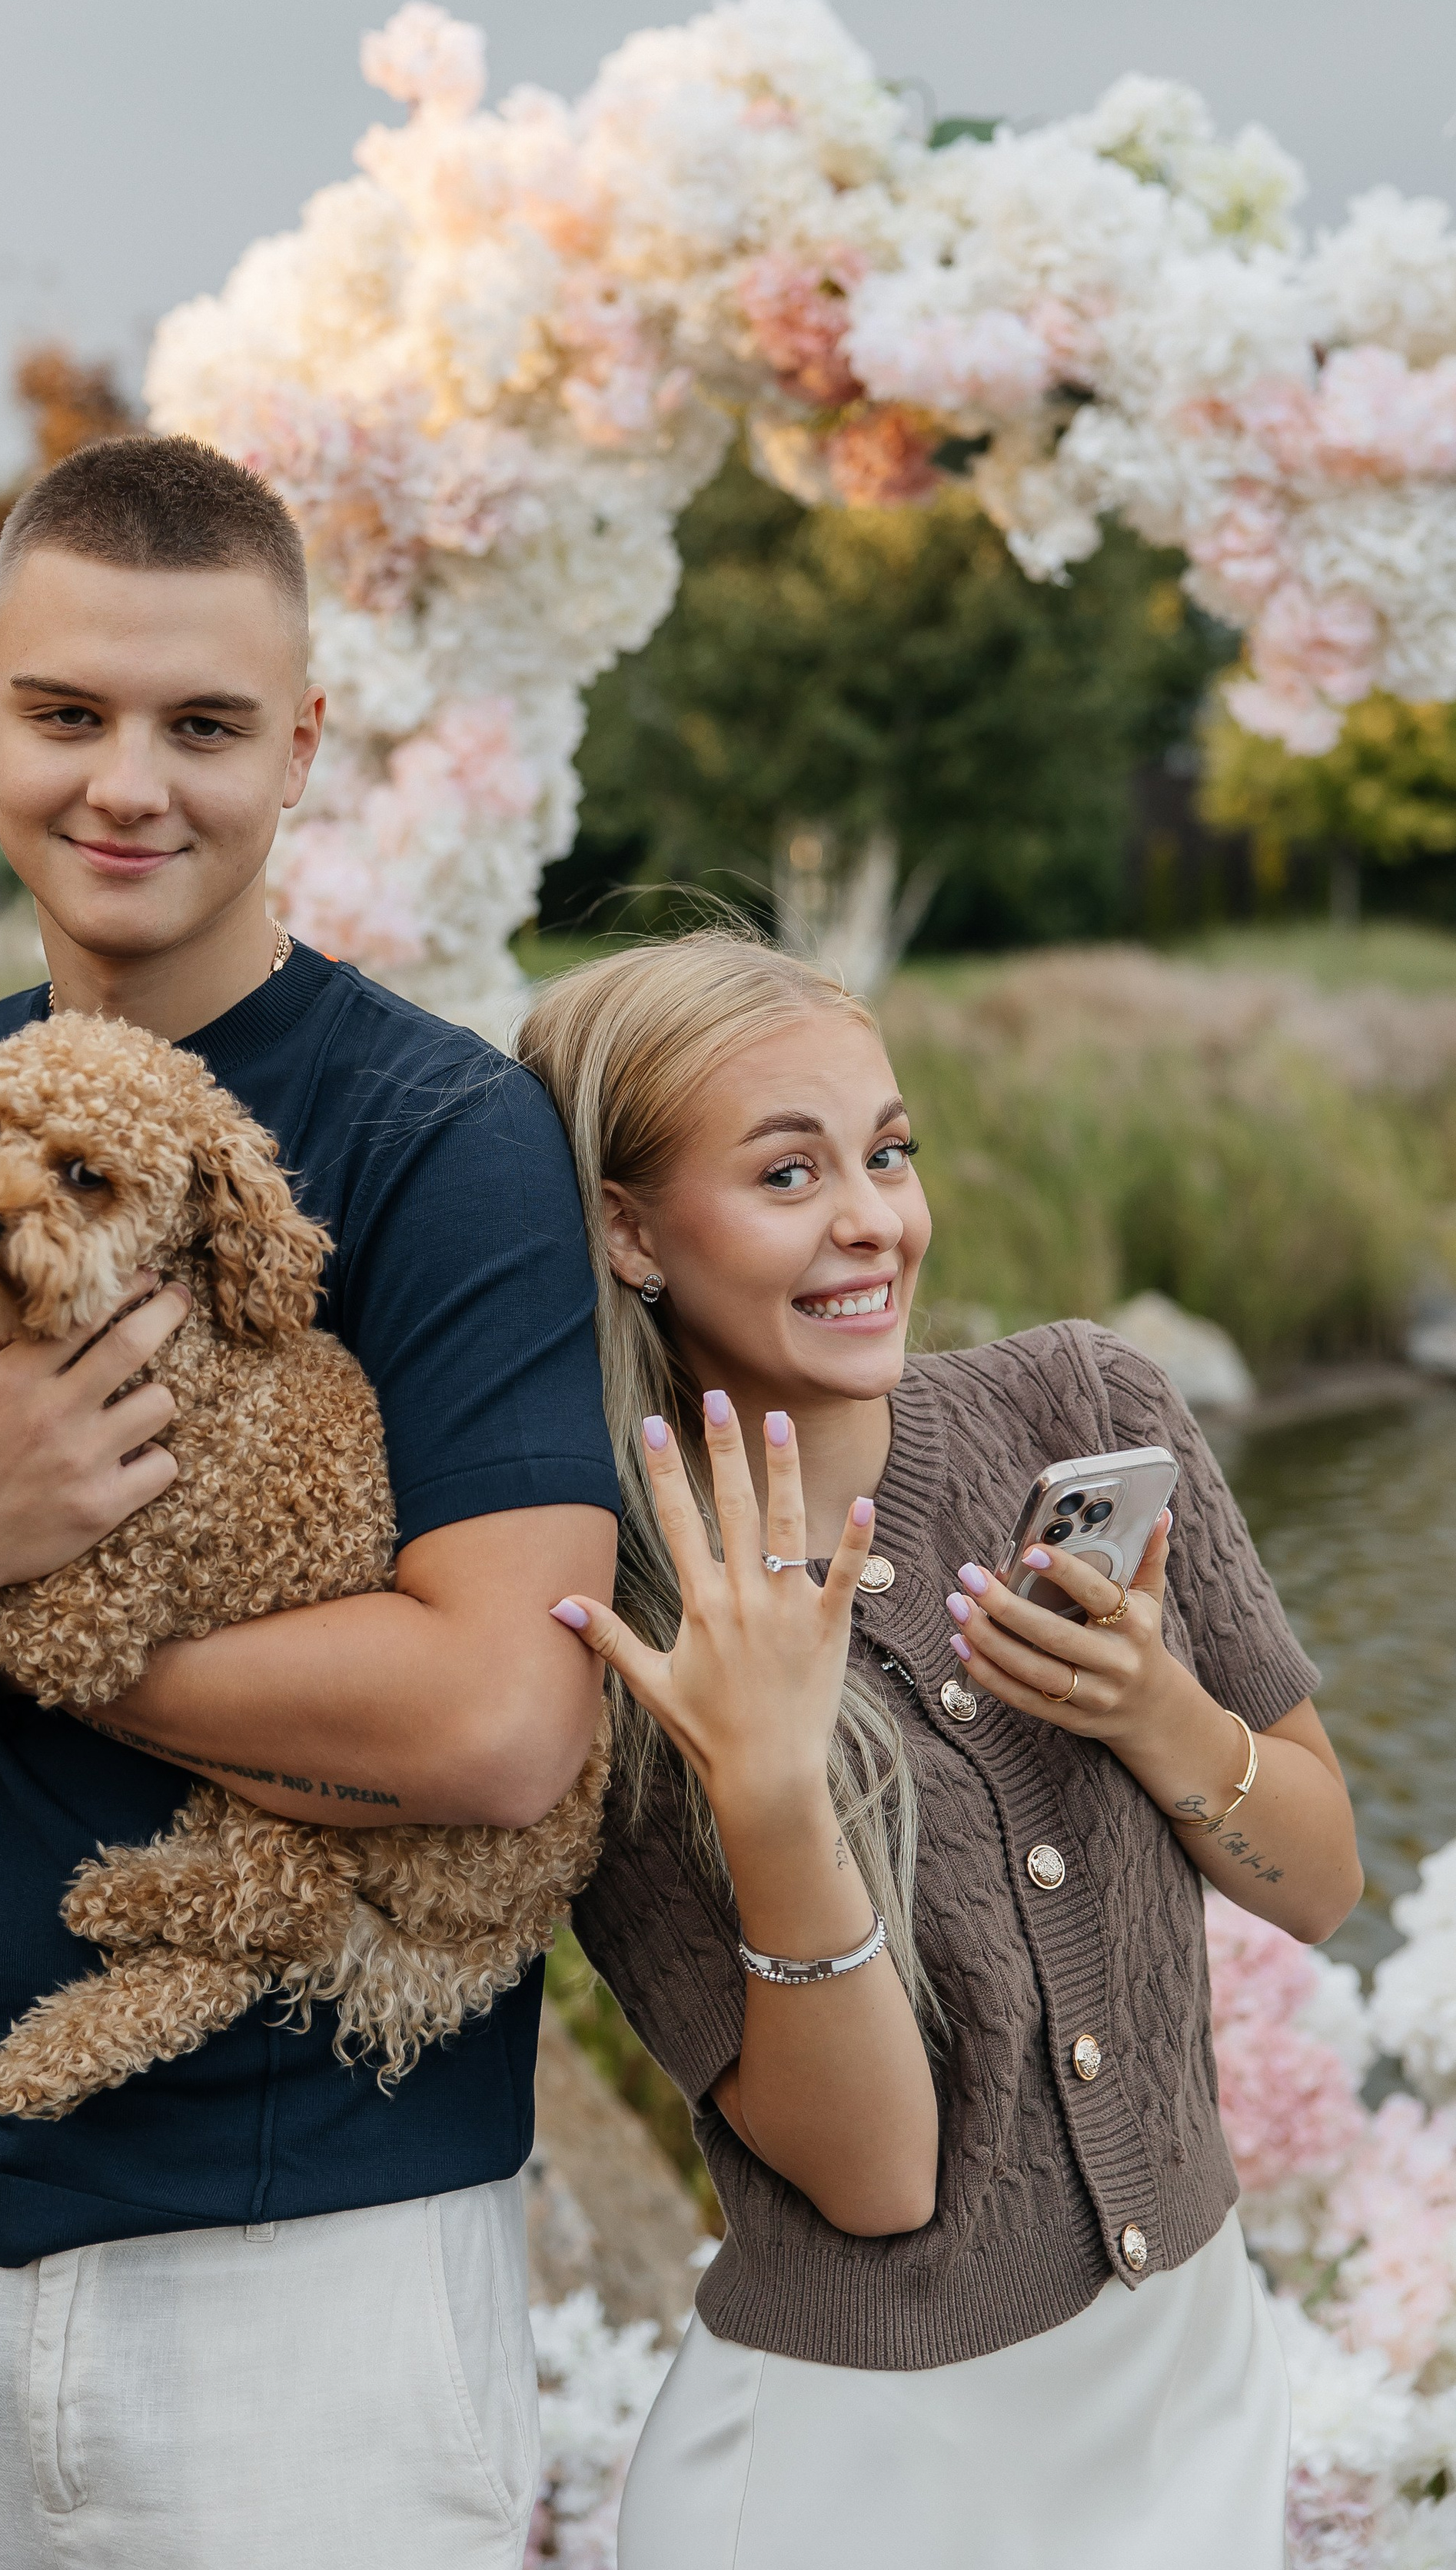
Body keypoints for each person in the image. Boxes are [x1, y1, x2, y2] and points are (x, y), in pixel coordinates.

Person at [0, 434, 617, 2570]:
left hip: (310, 2268)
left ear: (301, 746)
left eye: (204, 727)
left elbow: (505, 1721)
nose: (127, 785)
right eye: (67, 713)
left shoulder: (445, 1137)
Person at [516, 930, 1361, 2570]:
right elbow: (883, 2180)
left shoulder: (1087, 1408)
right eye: (788, 1173)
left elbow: (1320, 1885)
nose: (872, 1221)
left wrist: (1154, 1711)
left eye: (888, 1153)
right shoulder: (621, 1629)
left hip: (1195, 2381)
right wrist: (770, 1793)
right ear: (627, 1229)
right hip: (868, 2472)